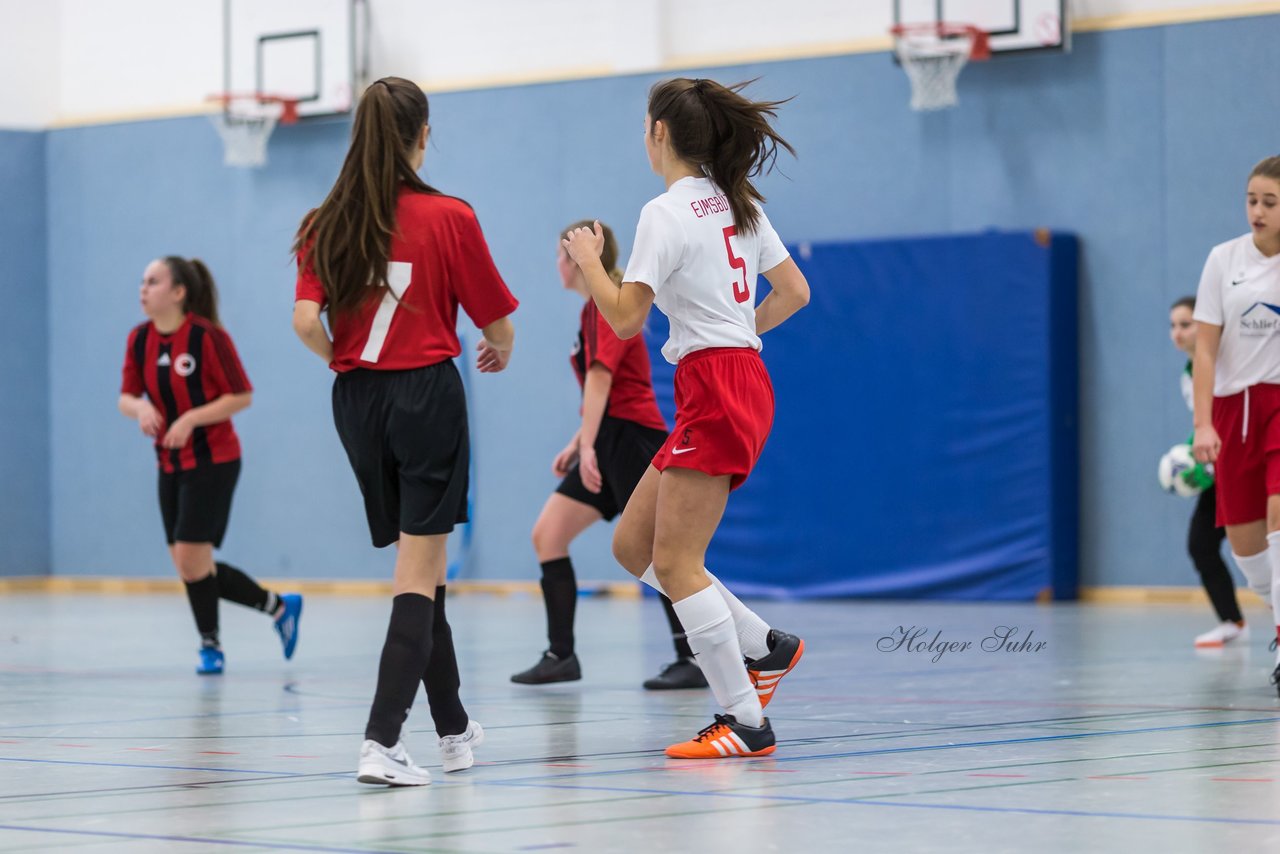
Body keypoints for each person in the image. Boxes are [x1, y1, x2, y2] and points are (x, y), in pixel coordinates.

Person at [562, 77, 811, 758]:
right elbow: (795, 291)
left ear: (659, 134)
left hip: (715, 383)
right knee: (632, 549)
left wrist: (589, 264)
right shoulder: (741, 204)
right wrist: (739, 333)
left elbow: (625, 316)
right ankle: (766, 646)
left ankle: (745, 721)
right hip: (736, 378)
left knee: (676, 564)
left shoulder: (663, 213)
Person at [292, 76, 518, 785]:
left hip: (355, 401)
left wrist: (349, 362)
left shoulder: (323, 220)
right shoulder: (449, 215)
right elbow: (497, 325)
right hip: (425, 396)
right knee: (420, 570)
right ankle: (381, 741)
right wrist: (502, 348)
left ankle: (452, 726)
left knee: (421, 562)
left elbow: (305, 321)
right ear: (422, 135)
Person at [512, 220, 707, 691]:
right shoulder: (590, 311)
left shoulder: (608, 302)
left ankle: (692, 656)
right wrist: (579, 442)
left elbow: (602, 380)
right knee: (548, 535)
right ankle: (561, 655)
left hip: (631, 438)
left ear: (577, 258)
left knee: (660, 552)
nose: (557, 264)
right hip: (605, 438)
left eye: (562, 253)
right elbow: (601, 387)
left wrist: (586, 443)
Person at [119, 256, 302, 676]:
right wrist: (140, 407)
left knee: (190, 557)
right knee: (189, 564)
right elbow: (125, 396)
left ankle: (211, 646)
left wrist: (190, 418)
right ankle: (279, 607)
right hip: (169, 462)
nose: (143, 289)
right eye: (142, 281)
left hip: (214, 460)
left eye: (153, 281)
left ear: (179, 292)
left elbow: (241, 395)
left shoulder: (207, 338)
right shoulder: (139, 340)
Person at [1191, 155, 1280, 694]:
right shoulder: (1224, 260)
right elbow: (1205, 351)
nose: (1257, 210)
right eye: (1252, 199)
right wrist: (1203, 424)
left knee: (1279, 514)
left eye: (1270, 202)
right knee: (1249, 552)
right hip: (1233, 412)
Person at [1169, 296, 1246, 647]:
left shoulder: (1228, 365)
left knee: (1258, 550)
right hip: (1217, 470)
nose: (1177, 333)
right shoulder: (1188, 375)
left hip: (1243, 466)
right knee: (1201, 544)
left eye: (1185, 324)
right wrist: (1191, 457)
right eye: (1172, 326)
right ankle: (1231, 621)